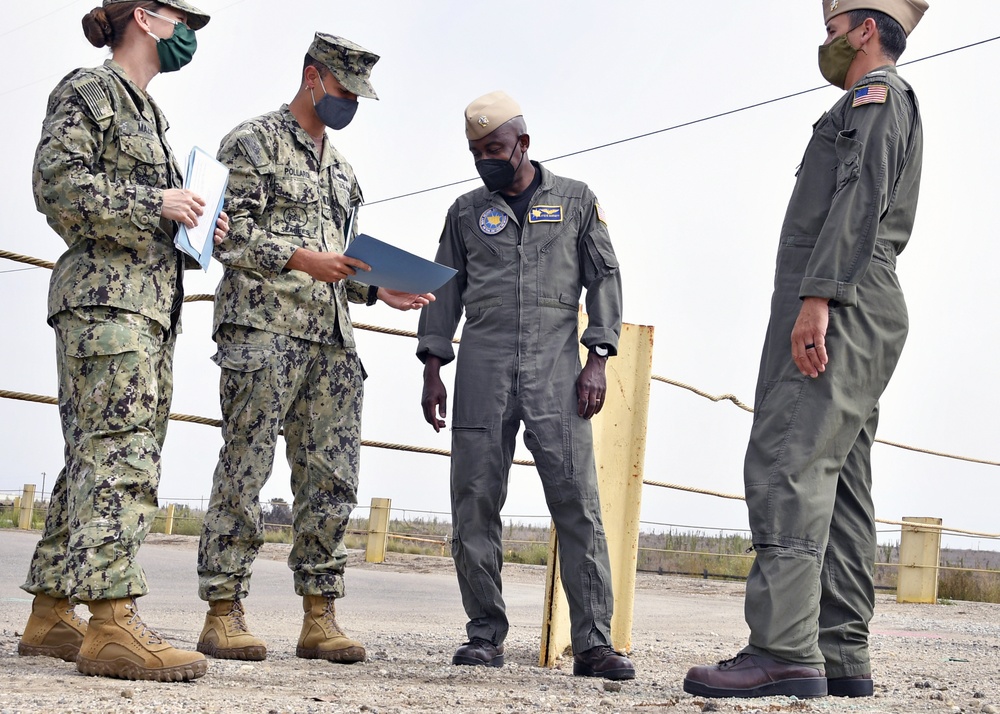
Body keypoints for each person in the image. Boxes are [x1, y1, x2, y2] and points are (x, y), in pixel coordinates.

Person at [684, 0, 927, 700]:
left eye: (832, 30)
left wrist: (817, 296)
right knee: (841, 480)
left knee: (789, 460)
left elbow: (859, 195)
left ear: (867, 30)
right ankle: (840, 653)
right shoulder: (879, 101)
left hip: (841, 294)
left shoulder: (873, 95)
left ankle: (783, 649)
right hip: (861, 295)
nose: (826, 43)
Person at [196, 32, 432, 664]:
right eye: (344, 89)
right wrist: (299, 257)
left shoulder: (344, 172)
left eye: (358, 95)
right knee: (246, 469)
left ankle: (319, 616)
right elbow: (225, 236)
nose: (350, 103)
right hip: (263, 333)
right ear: (312, 77)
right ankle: (223, 611)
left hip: (331, 342)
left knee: (332, 480)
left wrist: (382, 291)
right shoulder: (252, 143)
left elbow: (342, 263)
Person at [18, 0, 226, 683]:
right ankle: (111, 624)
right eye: (181, 18)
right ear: (145, 16)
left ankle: (52, 613)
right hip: (105, 306)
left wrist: (193, 225)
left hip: (143, 308)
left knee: (93, 459)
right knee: (120, 456)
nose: (188, 33)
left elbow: (140, 210)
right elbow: (57, 187)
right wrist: (155, 203)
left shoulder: (150, 116)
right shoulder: (89, 89)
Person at [417, 91, 634, 681]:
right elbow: (444, 291)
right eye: (475, 152)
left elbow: (604, 278)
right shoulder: (465, 213)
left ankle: (593, 643)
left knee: (577, 505)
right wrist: (433, 367)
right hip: (481, 366)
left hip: (557, 370)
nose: (485, 159)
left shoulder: (577, 201)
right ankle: (484, 633)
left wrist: (599, 357)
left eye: (494, 149)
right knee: (475, 500)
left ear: (523, 144)